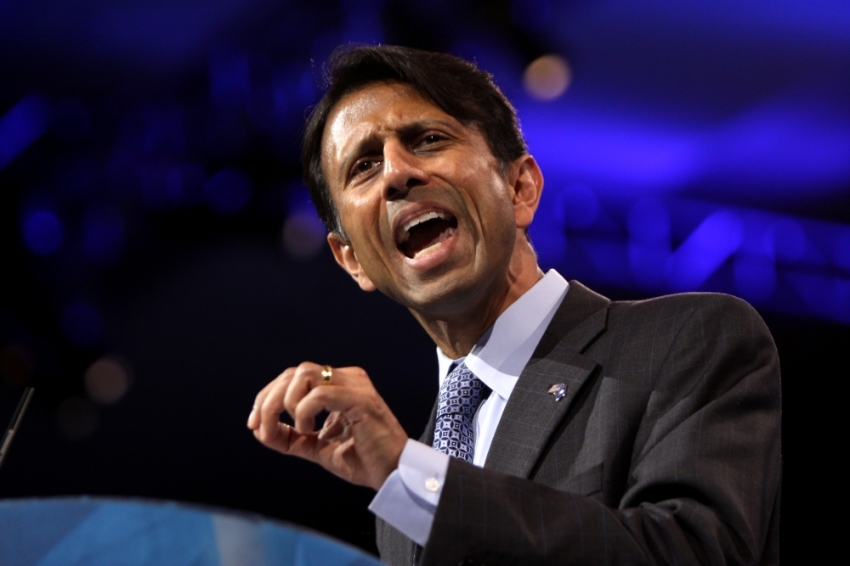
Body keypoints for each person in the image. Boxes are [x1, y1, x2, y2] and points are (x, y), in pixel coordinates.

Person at [247, 45, 781, 565]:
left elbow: (693, 552)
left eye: (428, 140)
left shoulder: (686, 341)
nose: (396, 173)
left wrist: (415, 477)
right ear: (352, 260)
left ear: (520, 187)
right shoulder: (407, 481)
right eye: (364, 166)